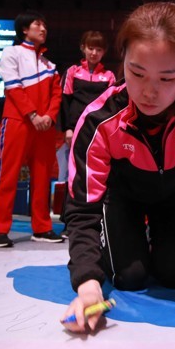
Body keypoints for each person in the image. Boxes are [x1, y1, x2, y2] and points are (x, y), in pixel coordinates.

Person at [61, 2, 175, 333]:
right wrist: (87, 283)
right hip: (123, 196)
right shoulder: (98, 120)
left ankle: (161, 240)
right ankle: (130, 237)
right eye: (137, 72)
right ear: (123, 60)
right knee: (128, 277)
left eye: (168, 78)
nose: (150, 92)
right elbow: (83, 207)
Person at [0, 10, 64, 247]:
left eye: (45, 26)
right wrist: (33, 115)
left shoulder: (50, 65)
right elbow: (14, 87)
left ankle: (41, 227)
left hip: (44, 127)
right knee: (7, 174)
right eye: (37, 24)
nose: (43, 29)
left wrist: (49, 117)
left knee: (42, 178)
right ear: (24, 30)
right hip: (18, 122)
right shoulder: (11, 53)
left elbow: (57, 94)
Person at [57, 30, 116, 237]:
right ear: (83, 48)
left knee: (99, 175)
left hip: (98, 133)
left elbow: (112, 107)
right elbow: (64, 102)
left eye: (99, 49)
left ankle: (100, 221)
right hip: (75, 132)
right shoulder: (72, 72)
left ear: (104, 52)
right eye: (91, 47)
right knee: (73, 176)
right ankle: (69, 222)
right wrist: (67, 128)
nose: (94, 52)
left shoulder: (109, 76)